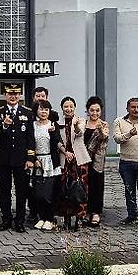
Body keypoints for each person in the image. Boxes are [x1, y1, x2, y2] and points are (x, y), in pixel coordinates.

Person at [0, 84, 36, 233]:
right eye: (10, 94)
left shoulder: (27, 113)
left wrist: (30, 158)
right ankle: (6, 219)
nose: (13, 96)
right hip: (3, 158)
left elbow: (31, 137)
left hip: (21, 159)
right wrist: (3, 126)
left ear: (20, 96)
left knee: (21, 191)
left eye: (16, 94)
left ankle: (20, 221)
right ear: (5, 95)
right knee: (4, 190)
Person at [113, 97, 138, 225]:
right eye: (133, 107)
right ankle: (132, 215)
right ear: (127, 108)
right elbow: (117, 138)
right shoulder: (119, 121)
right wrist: (129, 134)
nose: (136, 110)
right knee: (129, 191)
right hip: (126, 162)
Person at [57, 96, 91, 231]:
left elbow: (79, 133)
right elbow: (57, 140)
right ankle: (66, 218)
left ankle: (78, 219)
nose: (68, 109)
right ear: (62, 108)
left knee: (79, 189)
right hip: (64, 159)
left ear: (75, 108)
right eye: (66, 106)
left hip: (79, 160)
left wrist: (75, 126)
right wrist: (65, 152)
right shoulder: (57, 122)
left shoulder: (80, 120)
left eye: (71, 106)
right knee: (65, 189)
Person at [31, 100, 62, 231]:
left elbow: (57, 143)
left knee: (48, 194)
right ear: (36, 111)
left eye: (46, 109)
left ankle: (50, 219)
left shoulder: (53, 125)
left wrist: (53, 133)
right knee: (38, 193)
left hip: (50, 162)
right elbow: (29, 143)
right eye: (41, 109)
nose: (44, 112)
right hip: (37, 162)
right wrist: (33, 159)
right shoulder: (32, 125)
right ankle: (42, 217)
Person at [83, 96, 109, 227]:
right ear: (87, 111)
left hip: (97, 160)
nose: (95, 113)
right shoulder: (82, 124)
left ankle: (96, 213)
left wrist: (100, 131)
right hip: (84, 159)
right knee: (85, 186)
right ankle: (86, 211)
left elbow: (105, 137)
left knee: (97, 186)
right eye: (92, 110)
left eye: (97, 110)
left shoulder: (104, 124)